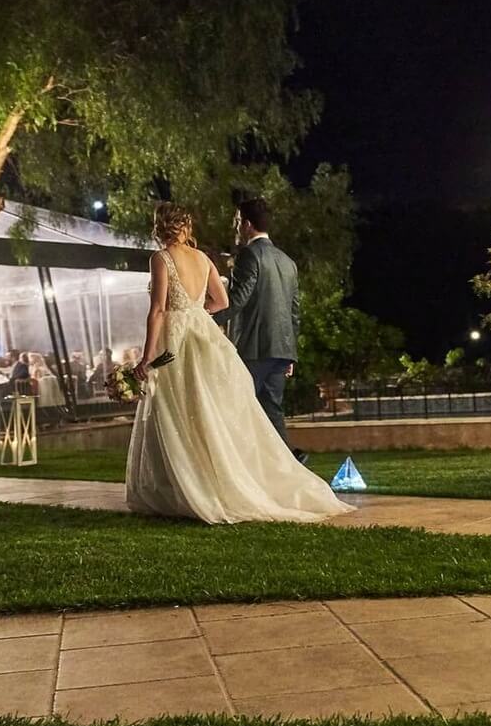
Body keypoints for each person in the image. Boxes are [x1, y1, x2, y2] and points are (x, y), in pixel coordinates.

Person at [124, 202, 352, 524]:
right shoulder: (210, 259)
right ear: (186, 227)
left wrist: (148, 356)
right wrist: (197, 314)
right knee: (226, 412)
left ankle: (193, 485)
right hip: (230, 341)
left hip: (189, 341)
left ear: (161, 227)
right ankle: (263, 474)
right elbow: (227, 301)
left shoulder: (162, 258)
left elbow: (159, 310)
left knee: (183, 411)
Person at [214, 196, 302, 453]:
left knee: (236, 408)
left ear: (247, 224)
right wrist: (290, 353)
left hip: (254, 348)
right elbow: (294, 312)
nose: (236, 227)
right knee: (272, 411)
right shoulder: (287, 261)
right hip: (281, 350)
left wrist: (205, 320)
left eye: (237, 221)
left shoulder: (249, 255)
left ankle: (240, 466)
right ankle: (290, 461)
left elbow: (238, 299)